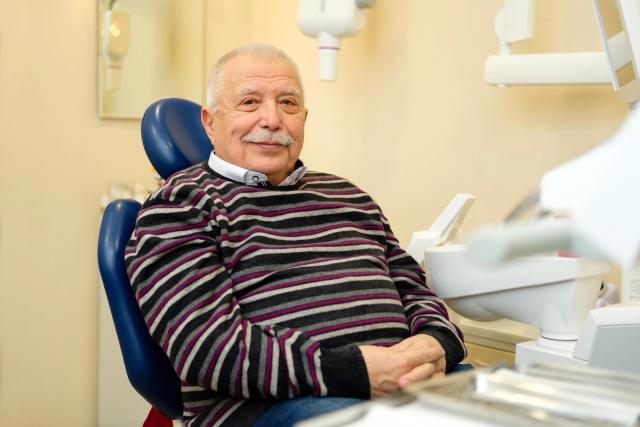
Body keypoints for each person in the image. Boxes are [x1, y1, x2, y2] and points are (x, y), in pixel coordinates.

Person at [126, 44, 466, 427]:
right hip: (266, 409)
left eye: (288, 103)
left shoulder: (349, 196)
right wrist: (357, 372)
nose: (272, 119)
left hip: (406, 383)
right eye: (250, 102)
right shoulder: (178, 205)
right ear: (210, 122)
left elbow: (415, 292)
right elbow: (208, 348)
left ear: (303, 118)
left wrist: (437, 344)